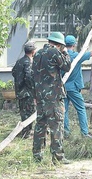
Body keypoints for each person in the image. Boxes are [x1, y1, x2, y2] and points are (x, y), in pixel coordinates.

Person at [31, 32, 73, 164]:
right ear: (60, 44)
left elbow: (33, 75)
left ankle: (37, 155)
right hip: (53, 96)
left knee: (40, 126)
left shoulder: (37, 54)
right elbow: (66, 66)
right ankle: (58, 157)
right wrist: (65, 53)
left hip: (40, 96)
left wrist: (35, 95)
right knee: (56, 126)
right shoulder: (55, 52)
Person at [63, 34, 92, 137]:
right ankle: (84, 133)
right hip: (73, 88)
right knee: (81, 109)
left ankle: (65, 133)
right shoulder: (76, 56)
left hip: (62, 87)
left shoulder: (61, 56)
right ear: (74, 45)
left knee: (64, 110)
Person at [12, 41, 37, 138]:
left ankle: (25, 131)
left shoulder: (20, 61)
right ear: (33, 51)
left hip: (19, 91)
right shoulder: (28, 62)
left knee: (23, 112)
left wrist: (19, 82)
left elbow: (13, 72)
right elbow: (29, 77)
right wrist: (33, 90)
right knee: (29, 112)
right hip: (27, 92)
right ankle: (26, 133)